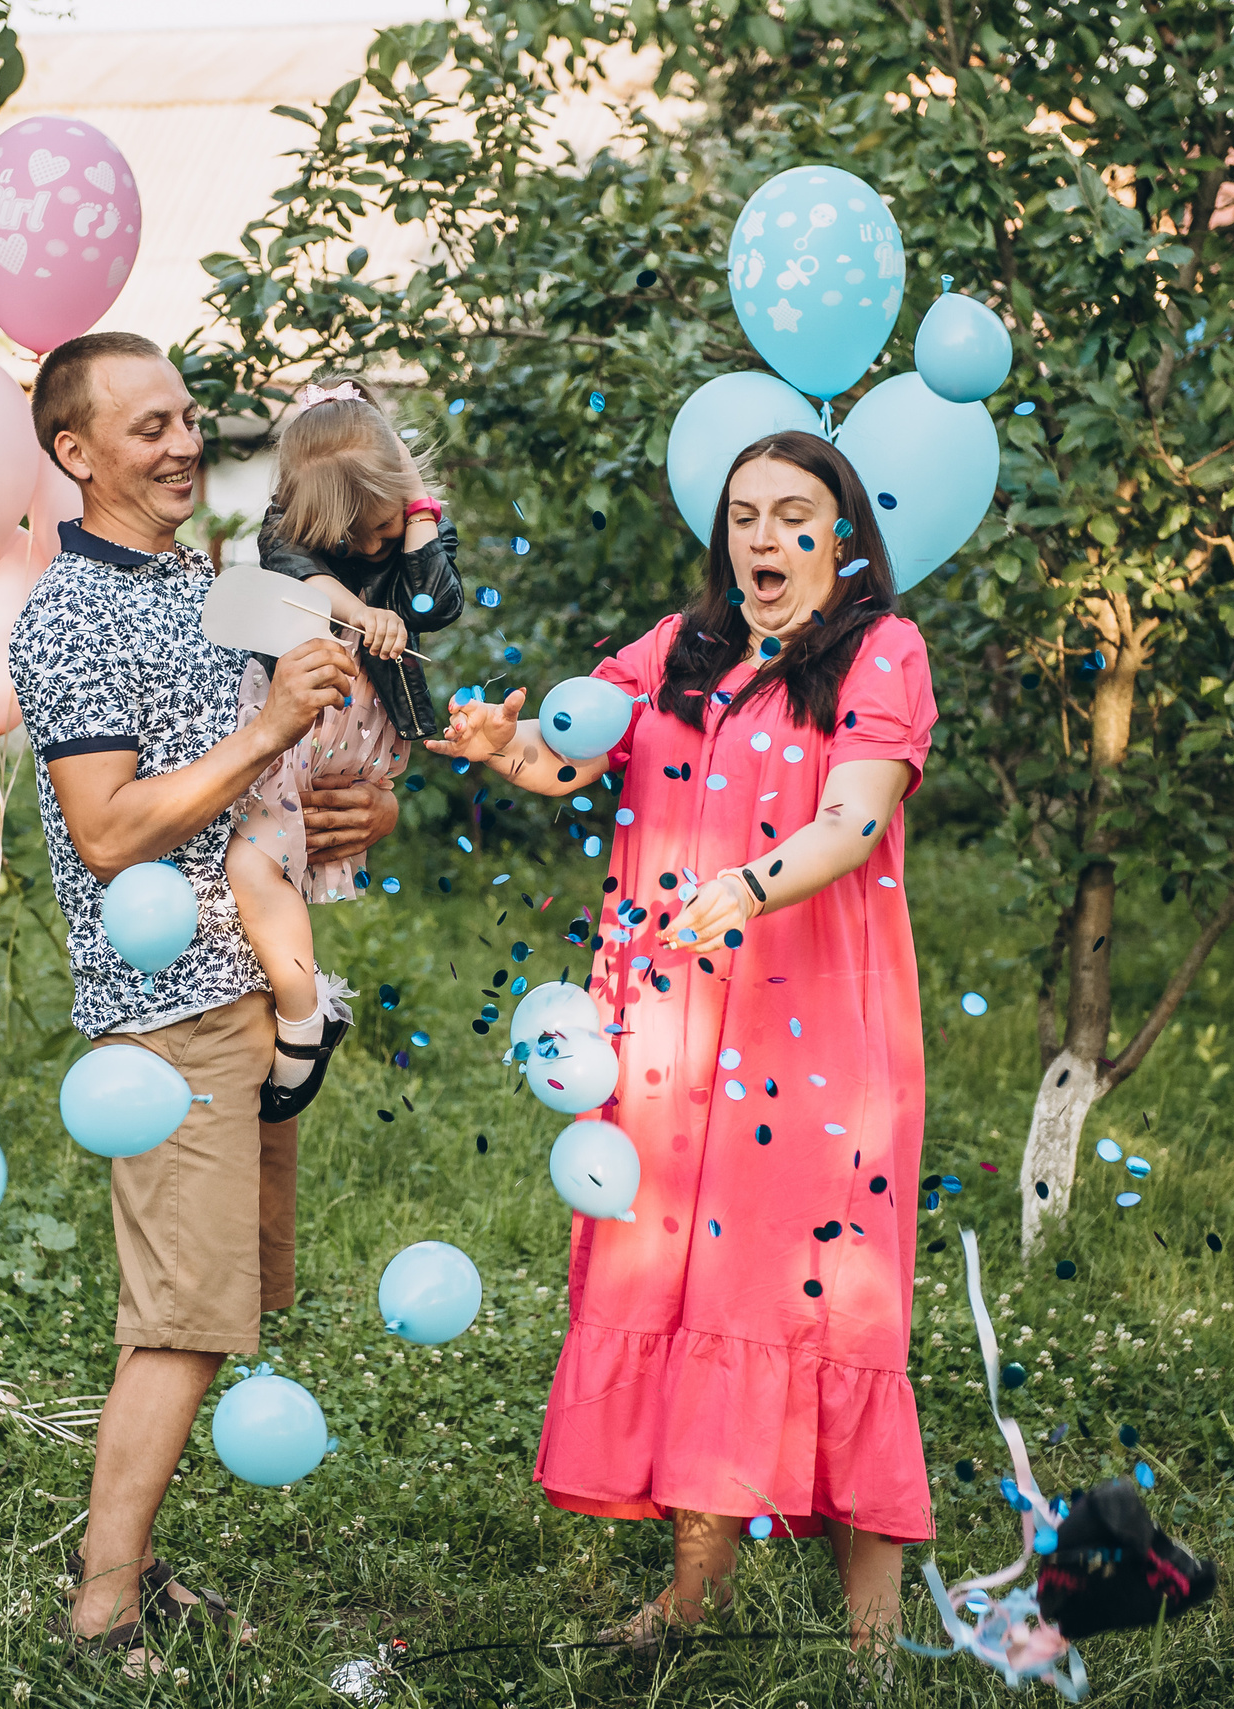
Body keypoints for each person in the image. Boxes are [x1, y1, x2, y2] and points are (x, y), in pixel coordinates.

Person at [427, 429, 936, 1651]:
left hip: (810, 1030)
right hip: (667, 1025)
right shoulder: (675, 649)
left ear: (842, 534)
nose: (763, 536)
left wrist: (749, 885)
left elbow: (854, 820)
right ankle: (690, 1597)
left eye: (792, 513)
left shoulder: (882, 651)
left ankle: (872, 1637)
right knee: (696, 1284)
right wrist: (507, 749)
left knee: (822, 1296)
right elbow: (567, 758)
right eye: (742, 514)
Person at [6, 332, 401, 1668]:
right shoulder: (68, 616)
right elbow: (109, 829)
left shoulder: (208, 583)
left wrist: (354, 808)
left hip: (250, 981)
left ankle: (131, 1561)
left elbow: (276, 786)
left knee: (220, 1304)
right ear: (75, 454)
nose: (184, 446)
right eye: (149, 429)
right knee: (179, 1316)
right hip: (165, 1003)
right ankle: (101, 1607)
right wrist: (269, 727)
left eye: (188, 419)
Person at [226, 376, 464, 1120]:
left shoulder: (414, 520)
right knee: (255, 865)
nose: (367, 546)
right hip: (296, 719)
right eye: (349, 535)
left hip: (348, 735)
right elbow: (287, 563)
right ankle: (305, 1014)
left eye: (380, 527)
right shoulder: (287, 528)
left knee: (257, 861)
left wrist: (416, 507)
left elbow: (436, 601)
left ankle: (302, 1019)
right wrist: (359, 609)